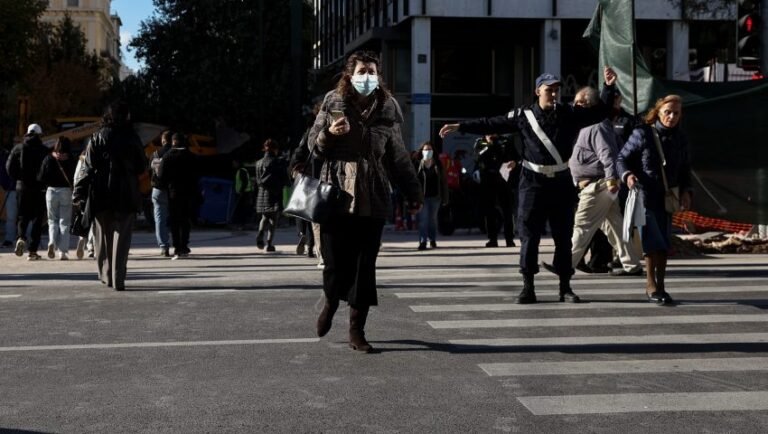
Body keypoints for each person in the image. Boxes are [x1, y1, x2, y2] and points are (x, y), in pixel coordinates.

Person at [440, 67, 618, 304]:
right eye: (548, 90)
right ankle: (528, 287)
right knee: (529, 236)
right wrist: (461, 126)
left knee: (563, 236)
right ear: (537, 91)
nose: (553, 95)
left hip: (561, 182)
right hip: (532, 182)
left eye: (556, 90)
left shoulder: (568, 113)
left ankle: (565, 286)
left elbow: (600, 113)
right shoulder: (524, 116)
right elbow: (492, 123)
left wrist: (607, 87)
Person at [307, 50, 422, 352]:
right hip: (335, 192)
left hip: (374, 195)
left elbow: (397, 156)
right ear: (349, 74)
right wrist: (329, 135)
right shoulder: (333, 101)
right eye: (361, 71)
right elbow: (311, 145)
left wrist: (414, 193)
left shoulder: (388, 107)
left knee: (363, 266)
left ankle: (356, 331)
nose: (367, 76)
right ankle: (331, 300)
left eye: (372, 71)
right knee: (333, 260)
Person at [542, 88, 642, 278]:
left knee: (582, 224)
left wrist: (612, 179)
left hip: (598, 186)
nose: (574, 105)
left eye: (578, 102)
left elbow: (608, 155)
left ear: (587, 105)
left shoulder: (595, 126)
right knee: (615, 226)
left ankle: (564, 264)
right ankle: (632, 264)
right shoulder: (589, 125)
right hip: (600, 185)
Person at [618, 94, 692, 305]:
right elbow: (622, 158)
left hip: (667, 197)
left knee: (664, 242)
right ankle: (651, 285)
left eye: (676, 113)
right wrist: (627, 175)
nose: (671, 116)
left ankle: (661, 285)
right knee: (652, 240)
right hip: (645, 195)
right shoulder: (643, 133)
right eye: (667, 112)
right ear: (658, 112)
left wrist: (687, 191)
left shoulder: (680, 138)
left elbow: (686, 167)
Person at [73, 101, 147, 290]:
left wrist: (79, 193)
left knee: (102, 237)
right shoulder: (133, 137)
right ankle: (119, 277)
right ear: (127, 116)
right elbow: (141, 166)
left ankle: (106, 274)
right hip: (126, 191)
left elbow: (87, 167)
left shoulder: (97, 137)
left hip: (101, 192)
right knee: (122, 238)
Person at [5, 124, 49, 260]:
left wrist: (18, 178)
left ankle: (20, 238)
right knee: (37, 219)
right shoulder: (44, 150)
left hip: (22, 187)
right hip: (39, 189)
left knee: (22, 215)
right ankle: (32, 251)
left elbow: (9, 167)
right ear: (40, 135)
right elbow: (48, 170)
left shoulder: (18, 148)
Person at [472, 134, 517, 247]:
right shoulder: (480, 142)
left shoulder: (505, 141)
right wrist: (489, 144)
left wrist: (514, 162)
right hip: (487, 178)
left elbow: (515, 156)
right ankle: (492, 239)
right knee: (489, 210)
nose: (491, 134)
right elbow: (477, 157)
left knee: (507, 210)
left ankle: (509, 238)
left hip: (503, 178)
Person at [161, 133, 201, 259]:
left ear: (172, 142)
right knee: (185, 220)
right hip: (188, 192)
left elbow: (162, 176)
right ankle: (184, 245)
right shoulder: (191, 157)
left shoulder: (167, 157)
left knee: (174, 221)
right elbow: (197, 176)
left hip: (173, 192)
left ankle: (176, 246)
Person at [37, 137, 77, 260]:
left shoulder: (49, 158)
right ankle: (63, 252)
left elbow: (40, 177)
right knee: (64, 222)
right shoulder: (71, 159)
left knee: (52, 220)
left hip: (51, 191)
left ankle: (52, 242)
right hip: (66, 191)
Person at [254, 138, 288, 252]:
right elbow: (283, 177)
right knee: (274, 219)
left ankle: (260, 233)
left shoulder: (258, 162)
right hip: (274, 193)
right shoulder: (276, 161)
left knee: (264, 216)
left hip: (261, 192)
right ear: (275, 149)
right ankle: (269, 244)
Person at [415, 141, 448, 250]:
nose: (427, 152)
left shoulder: (438, 165)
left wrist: (445, 198)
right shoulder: (418, 165)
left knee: (432, 220)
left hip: (435, 197)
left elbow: (443, 182)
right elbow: (414, 182)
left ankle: (432, 239)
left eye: (429, 150)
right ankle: (423, 241)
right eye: (425, 150)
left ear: (433, 151)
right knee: (423, 219)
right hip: (422, 198)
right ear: (422, 151)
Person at [150, 130, 173, 257]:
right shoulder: (175, 153)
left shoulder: (155, 154)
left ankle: (164, 246)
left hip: (158, 190)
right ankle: (179, 245)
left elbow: (150, 171)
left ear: (162, 140)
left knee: (159, 219)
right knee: (176, 217)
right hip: (173, 190)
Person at [1, 145, 18, 248]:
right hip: (12, 189)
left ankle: (22, 237)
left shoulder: (7, 157)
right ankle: (10, 239)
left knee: (15, 217)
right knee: (12, 217)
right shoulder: (6, 158)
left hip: (17, 190)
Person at [231, 159, 254, 231]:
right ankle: (243, 224)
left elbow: (245, 182)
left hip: (245, 193)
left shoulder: (241, 171)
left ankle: (243, 224)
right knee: (242, 209)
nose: (233, 164)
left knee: (243, 209)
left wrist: (241, 191)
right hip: (244, 193)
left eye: (234, 163)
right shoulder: (241, 170)